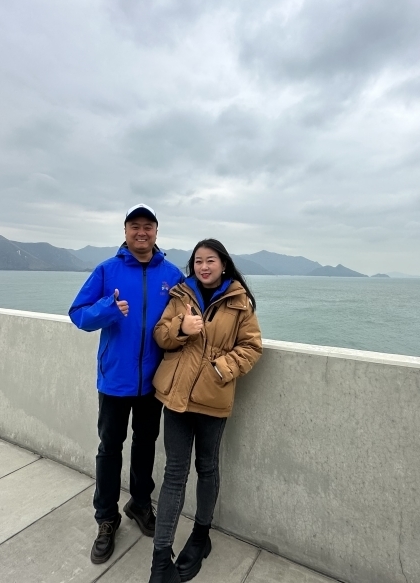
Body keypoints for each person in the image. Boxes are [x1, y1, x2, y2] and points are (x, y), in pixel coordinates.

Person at [69, 204, 185, 565]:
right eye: (135, 226)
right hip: (115, 380)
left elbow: (189, 312)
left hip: (154, 381)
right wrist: (107, 310)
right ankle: (106, 518)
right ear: (125, 231)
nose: (141, 232)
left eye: (148, 226)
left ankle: (139, 503)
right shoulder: (107, 270)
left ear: (156, 232)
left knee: (146, 444)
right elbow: (78, 314)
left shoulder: (172, 274)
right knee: (110, 448)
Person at [147, 239, 262, 583]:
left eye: (210, 260)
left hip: (212, 399)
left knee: (207, 467)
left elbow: (252, 346)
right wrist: (181, 329)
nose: (204, 267)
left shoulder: (239, 302)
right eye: (198, 261)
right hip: (177, 397)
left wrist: (219, 369)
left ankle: (201, 535)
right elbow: (160, 335)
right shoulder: (180, 294)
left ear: (223, 264)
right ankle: (160, 561)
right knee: (174, 473)